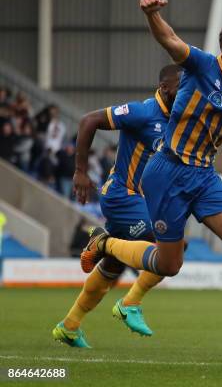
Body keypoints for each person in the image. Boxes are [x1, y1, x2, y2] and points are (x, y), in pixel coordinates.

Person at [80, 0, 222, 352]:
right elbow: (170, 40)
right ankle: (105, 243)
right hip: (167, 171)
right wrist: (151, 15)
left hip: (204, 174)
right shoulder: (202, 65)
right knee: (169, 263)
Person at [52, 64, 182, 348]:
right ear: (164, 88)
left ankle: (69, 326)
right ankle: (127, 297)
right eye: (180, 88)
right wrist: (81, 170)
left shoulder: (178, 120)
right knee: (166, 246)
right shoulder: (143, 112)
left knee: (114, 266)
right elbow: (88, 120)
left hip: (143, 200)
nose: (186, 94)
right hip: (122, 194)